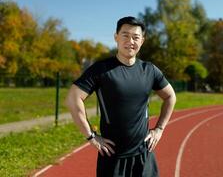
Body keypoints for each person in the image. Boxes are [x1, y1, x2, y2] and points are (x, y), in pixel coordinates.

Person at [65, 16, 176, 177]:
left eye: (136, 37)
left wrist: (159, 129)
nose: (130, 41)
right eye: (125, 35)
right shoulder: (101, 70)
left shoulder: (150, 70)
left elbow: (170, 96)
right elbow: (73, 99)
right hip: (113, 157)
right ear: (116, 37)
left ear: (142, 41)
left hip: (144, 155)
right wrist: (91, 137)